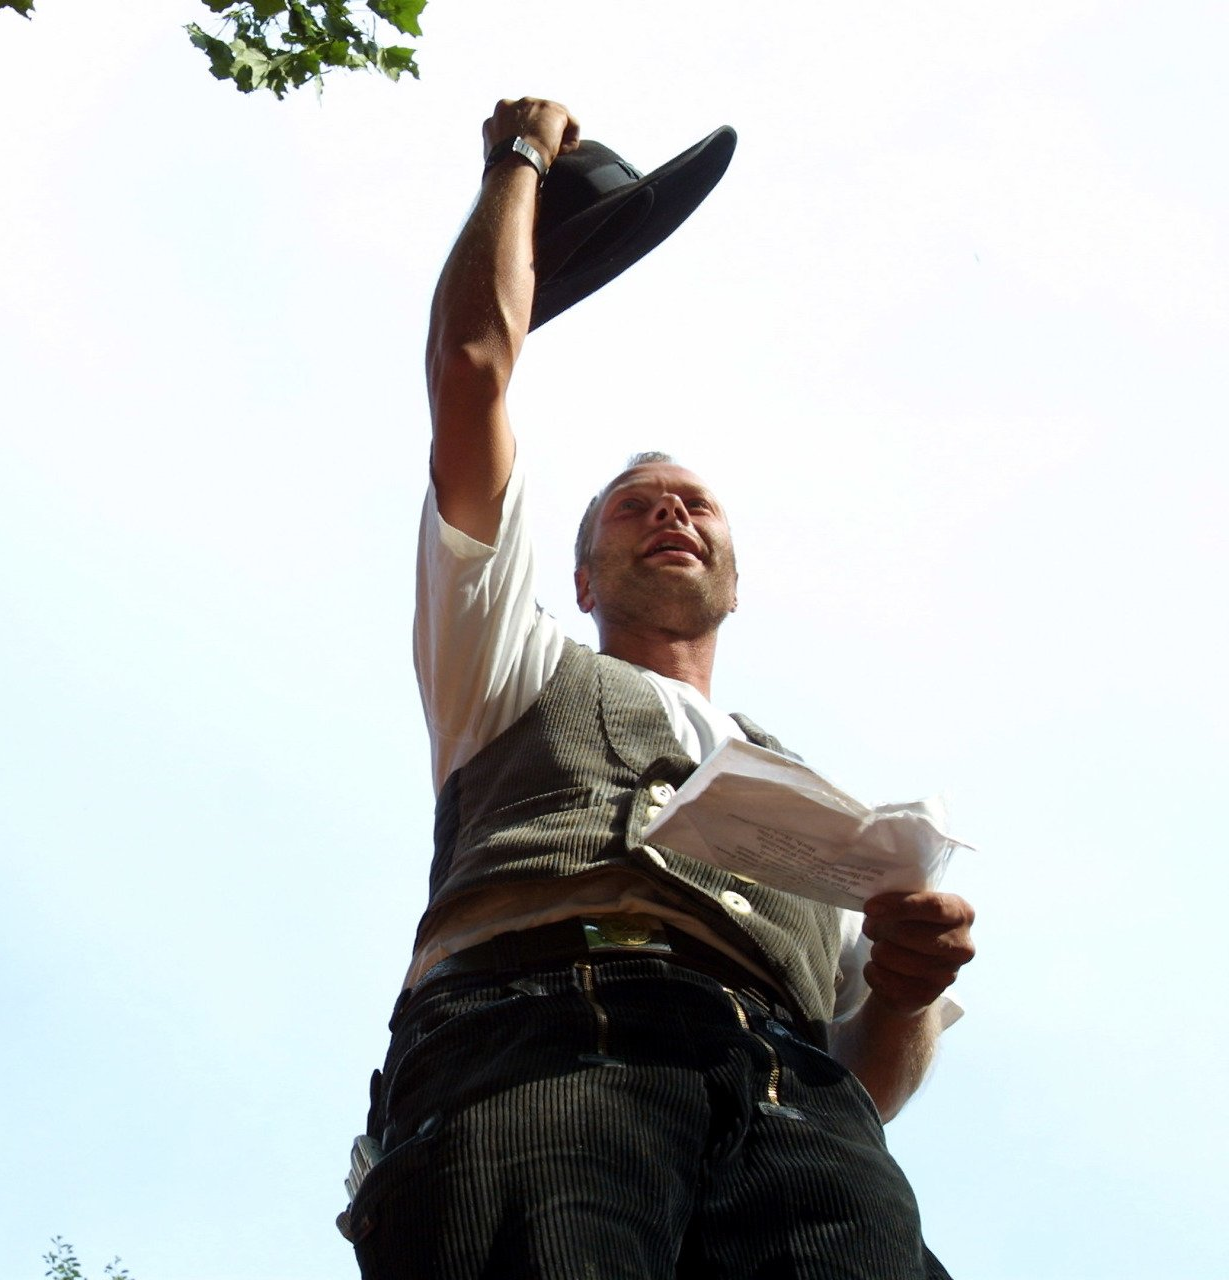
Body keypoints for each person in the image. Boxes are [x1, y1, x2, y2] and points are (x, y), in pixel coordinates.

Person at [339, 97, 978, 1279]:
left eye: (695, 503)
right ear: (582, 575)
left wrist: (904, 985)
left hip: (803, 1115)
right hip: (546, 1041)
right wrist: (518, 161)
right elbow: (472, 370)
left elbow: (873, 1076)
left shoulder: (826, 812)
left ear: (735, 572)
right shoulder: (511, 662)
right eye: (636, 506)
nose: (671, 512)